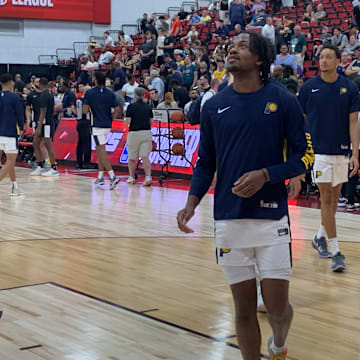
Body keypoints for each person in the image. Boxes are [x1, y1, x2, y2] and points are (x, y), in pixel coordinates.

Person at [177, 32, 313, 360]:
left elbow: (304, 156)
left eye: (241, 47)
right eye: (231, 46)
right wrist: (192, 202)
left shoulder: (283, 100)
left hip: (270, 218)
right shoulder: (214, 105)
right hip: (228, 218)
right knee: (243, 308)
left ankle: (279, 344)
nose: (232, 50)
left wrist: (266, 175)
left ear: (260, 59)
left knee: (278, 308)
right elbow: (206, 161)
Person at [298, 44, 360, 272]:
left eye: (328, 57)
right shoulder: (308, 88)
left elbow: (354, 122)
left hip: (342, 151)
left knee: (333, 200)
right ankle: (336, 251)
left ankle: (319, 236)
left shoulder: (349, 88)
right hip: (319, 152)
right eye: (321, 57)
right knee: (326, 199)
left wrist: (355, 152)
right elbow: (300, 121)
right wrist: (302, 150)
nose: (323, 61)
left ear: (337, 61)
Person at [83, 72, 121, 190]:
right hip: (107, 125)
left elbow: (84, 111)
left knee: (101, 151)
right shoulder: (110, 93)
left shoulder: (89, 93)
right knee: (100, 152)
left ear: (95, 80)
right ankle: (100, 177)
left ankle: (112, 176)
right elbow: (118, 108)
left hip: (97, 125)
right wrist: (111, 118)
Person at [0, 73, 25, 196]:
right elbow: (20, 116)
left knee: (10, 162)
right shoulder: (15, 98)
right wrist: (22, 127)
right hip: (9, 133)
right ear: (11, 82)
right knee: (10, 162)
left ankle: (15, 186)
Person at [125, 87, 153, 186]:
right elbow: (151, 122)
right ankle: (148, 177)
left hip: (134, 133)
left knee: (132, 158)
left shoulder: (131, 107)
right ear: (144, 95)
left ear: (135, 95)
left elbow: (127, 122)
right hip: (146, 132)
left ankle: (131, 178)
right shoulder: (148, 107)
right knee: (145, 157)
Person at [75, 86, 92, 169]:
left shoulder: (79, 100)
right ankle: (86, 162)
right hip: (85, 122)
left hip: (79, 122)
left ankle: (79, 162)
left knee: (80, 143)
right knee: (86, 143)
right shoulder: (86, 100)